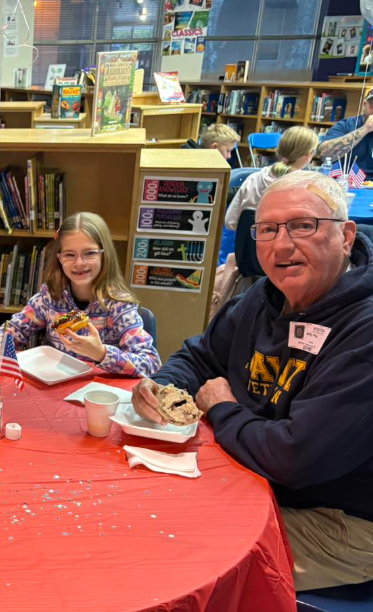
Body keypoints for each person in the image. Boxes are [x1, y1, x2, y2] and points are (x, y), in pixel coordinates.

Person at [131, 172, 373, 592]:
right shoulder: (261, 297)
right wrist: (162, 386)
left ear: (346, 236)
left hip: (340, 520)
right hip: (256, 480)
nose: (282, 245)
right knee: (140, 507)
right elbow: (199, 356)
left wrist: (222, 407)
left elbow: (294, 458)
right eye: (267, 230)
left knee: (174, 556)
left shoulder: (364, 329)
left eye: (303, 225)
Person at [0, 212, 161, 378]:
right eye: (69, 254)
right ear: (59, 258)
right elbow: (15, 329)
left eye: (90, 253)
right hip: (54, 387)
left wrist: (101, 354)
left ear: (104, 255)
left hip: (97, 392)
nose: (79, 263)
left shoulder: (118, 305)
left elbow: (151, 363)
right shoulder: (49, 297)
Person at [223, 126, 319, 230]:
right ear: (308, 154)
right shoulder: (306, 186)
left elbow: (230, 221)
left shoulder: (254, 178)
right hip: (285, 239)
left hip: (248, 239)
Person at [317, 87, 373, 176]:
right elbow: (324, 154)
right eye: (372, 105)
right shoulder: (347, 124)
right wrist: (365, 129)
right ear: (364, 105)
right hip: (345, 179)